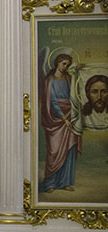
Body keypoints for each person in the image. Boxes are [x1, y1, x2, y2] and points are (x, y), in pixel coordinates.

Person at [39, 53, 79, 192]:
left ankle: (65, 182)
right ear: (57, 63)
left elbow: (75, 96)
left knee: (69, 149)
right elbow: (52, 101)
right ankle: (50, 183)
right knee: (54, 151)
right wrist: (63, 118)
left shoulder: (69, 78)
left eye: (67, 65)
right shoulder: (49, 80)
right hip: (55, 119)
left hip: (70, 116)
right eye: (63, 64)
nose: (65, 67)